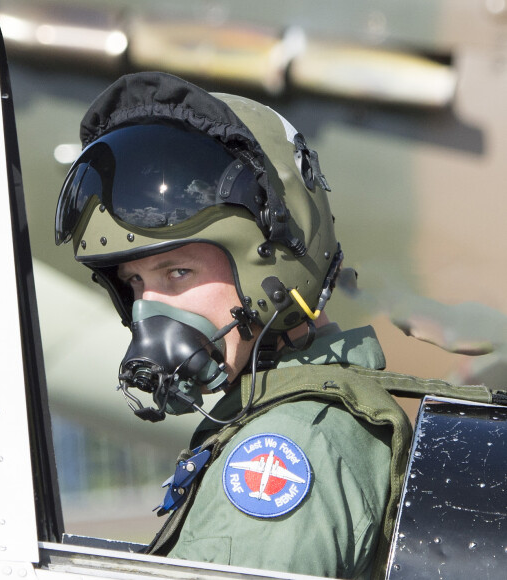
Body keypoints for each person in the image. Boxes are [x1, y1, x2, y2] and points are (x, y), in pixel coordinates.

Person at [55, 71, 414, 579]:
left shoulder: (285, 449)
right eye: (134, 283)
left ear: (272, 266)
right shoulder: (300, 415)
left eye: (177, 272)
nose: (147, 310)